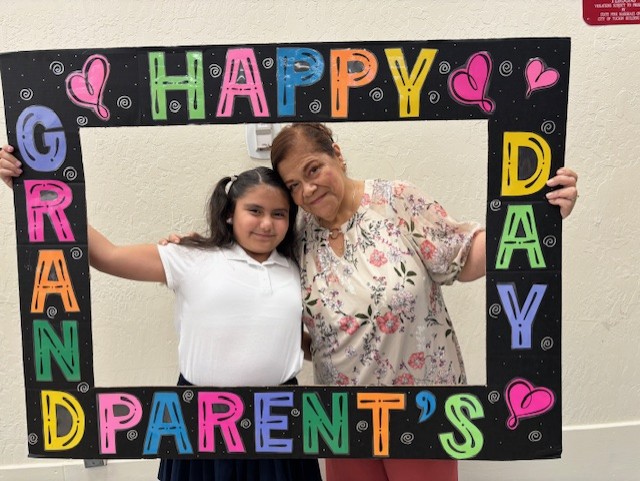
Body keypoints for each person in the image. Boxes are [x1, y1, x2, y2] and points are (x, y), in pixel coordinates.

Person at [267, 123, 579, 481]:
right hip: (342, 420)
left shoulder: (395, 201)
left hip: (422, 410)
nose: (307, 189)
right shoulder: (296, 237)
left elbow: (463, 255)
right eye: (293, 185)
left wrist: (540, 217)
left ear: (336, 155)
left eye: (313, 169)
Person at [0, 149, 322, 481]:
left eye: (279, 214)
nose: (267, 223)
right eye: (254, 211)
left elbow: (287, 336)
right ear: (229, 213)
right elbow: (106, 255)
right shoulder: (190, 257)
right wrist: (38, 192)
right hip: (200, 419)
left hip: (281, 419)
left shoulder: (297, 265)